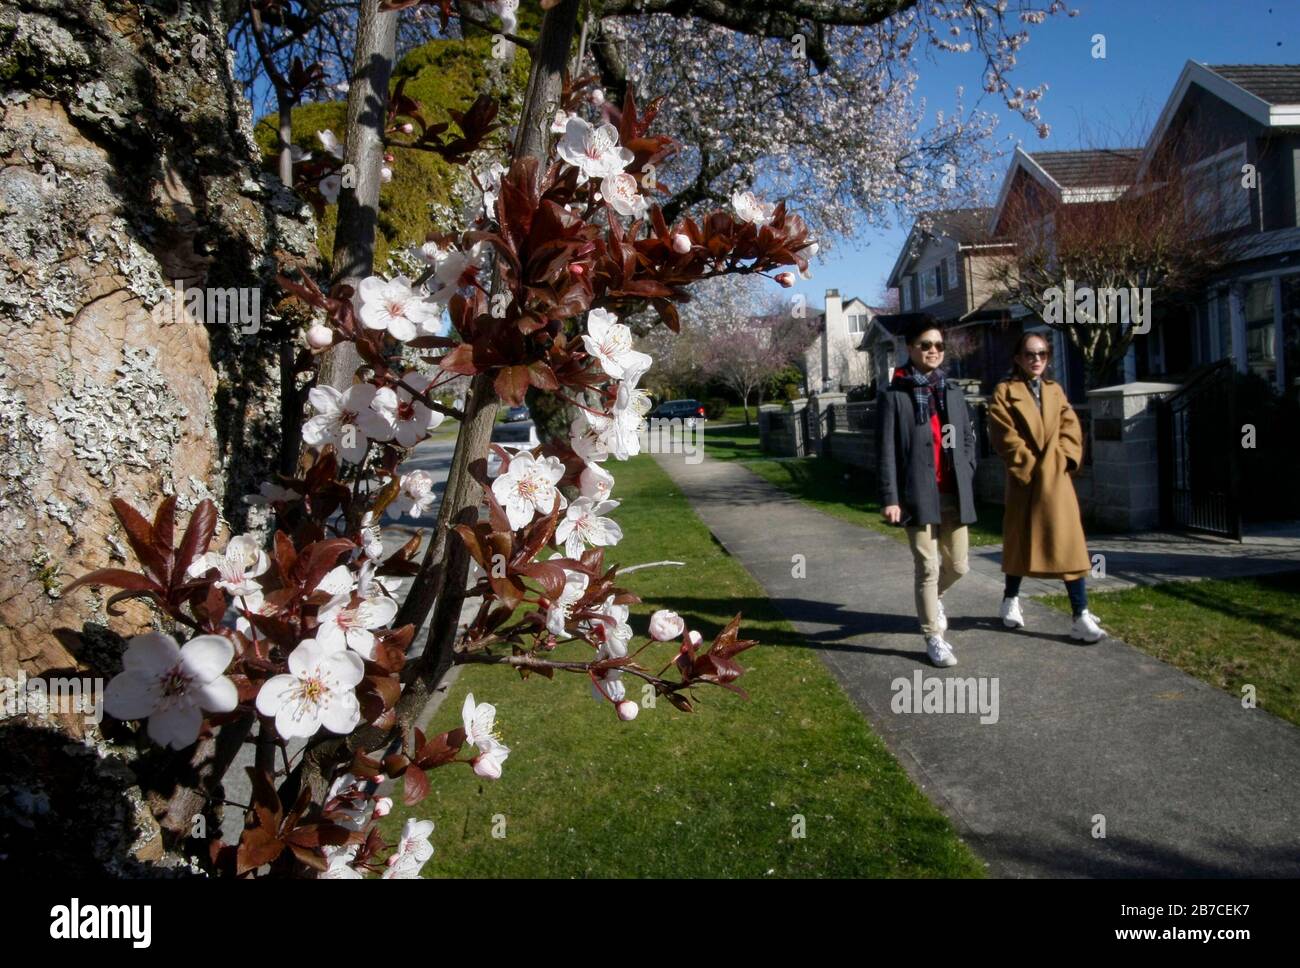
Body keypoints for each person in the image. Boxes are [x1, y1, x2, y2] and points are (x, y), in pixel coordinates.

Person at [987, 332, 1106, 643]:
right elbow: (1004, 437)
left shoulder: (1055, 391)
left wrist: (1065, 461)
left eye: (1042, 353)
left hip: (1057, 481)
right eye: (1029, 354)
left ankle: (1080, 614)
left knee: (1070, 545)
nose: (1036, 359)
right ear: (1017, 358)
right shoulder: (1004, 391)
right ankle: (1010, 600)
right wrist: (1031, 469)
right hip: (1025, 481)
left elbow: (1071, 428)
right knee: (1020, 543)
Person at [878, 316, 979, 667]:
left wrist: (967, 469)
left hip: (952, 490)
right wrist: (890, 497)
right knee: (928, 567)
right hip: (916, 493)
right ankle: (933, 636)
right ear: (911, 349)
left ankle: (932, 603)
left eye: (938, 345)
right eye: (925, 345)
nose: (933, 350)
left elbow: (966, 436)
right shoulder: (896, 394)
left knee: (960, 565)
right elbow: (886, 451)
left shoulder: (950, 390)